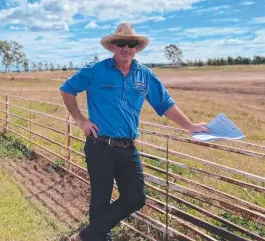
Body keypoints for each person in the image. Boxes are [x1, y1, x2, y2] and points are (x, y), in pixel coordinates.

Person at [59, 23, 210, 241]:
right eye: (121, 43)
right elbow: (67, 89)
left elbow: (165, 104)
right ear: (112, 46)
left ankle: (86, 236)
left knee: (135, 198)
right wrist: (81, 121)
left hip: (128, 148)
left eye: (131, 44)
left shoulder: (145, 75)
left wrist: (190, 126)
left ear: (137, 48)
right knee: (100, 199)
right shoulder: (96, 70)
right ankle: (98, 238)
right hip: (99, 145)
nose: (126, 48)